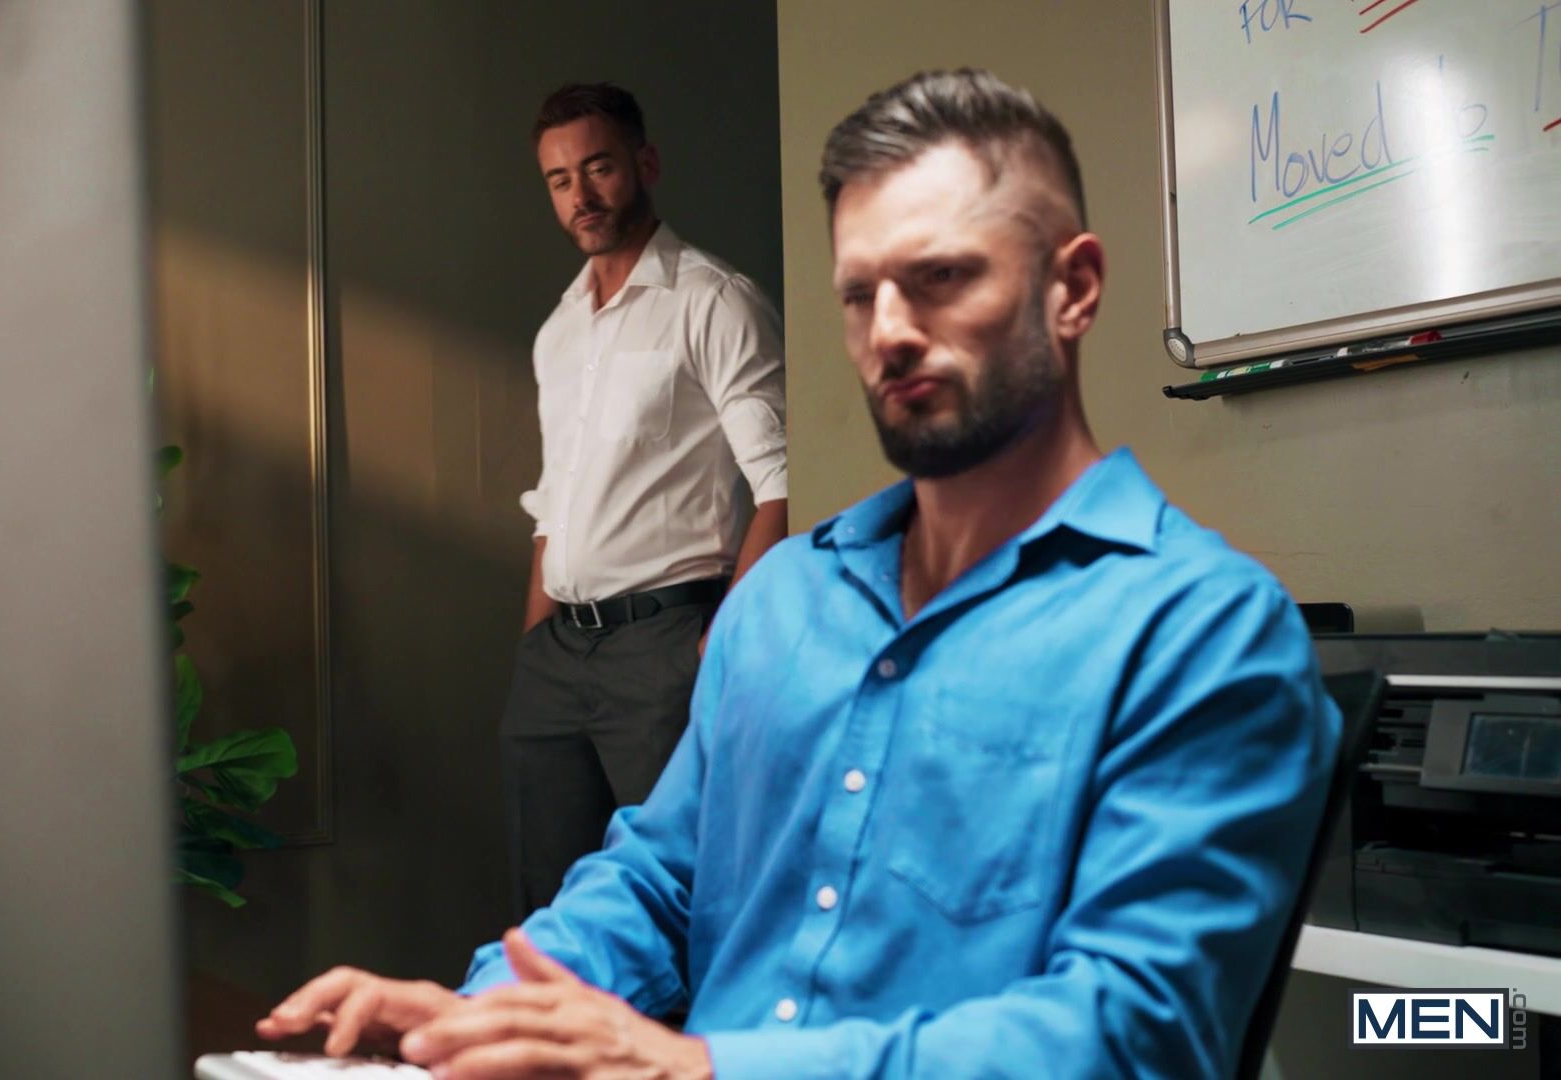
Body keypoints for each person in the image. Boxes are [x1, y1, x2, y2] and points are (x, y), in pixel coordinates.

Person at [258, 68, 1341, 1079]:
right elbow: (655, 880)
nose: (891, 332)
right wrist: (476, 1017)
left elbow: (1133, 1035)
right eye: (860, 293)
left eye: (943, 277)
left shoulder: (1203, 631)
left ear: (1074, 288)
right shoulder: (782, 605)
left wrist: (697, 1068)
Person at [501, 82, 790, 919]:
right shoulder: (560, 330)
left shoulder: (714, 300)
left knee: (681, 899)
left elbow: (783, 481)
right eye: (560, 180)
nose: (581, 196)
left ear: (645, 163)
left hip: (664, 650)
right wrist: (535, 643)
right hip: (556, 657)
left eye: (598, 168)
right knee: (551, 910)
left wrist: (715, 648)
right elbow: (555, 501)